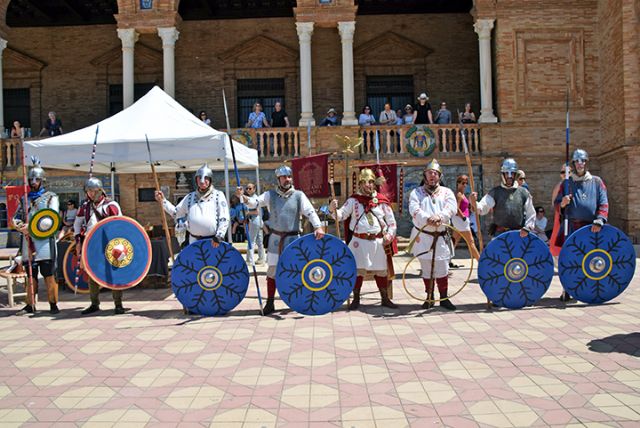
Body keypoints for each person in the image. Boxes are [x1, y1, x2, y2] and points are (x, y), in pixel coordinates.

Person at [236, 165, 324, 315]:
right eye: (284, 177)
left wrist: (318, 226)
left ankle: (299, 301)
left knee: (298, 271)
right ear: (278, 179)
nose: (287, 179)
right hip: (276, 239)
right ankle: (270, 303)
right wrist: (242, 197)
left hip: (294, 240)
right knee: (272, 271)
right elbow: (255, 202)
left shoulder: (298, 195)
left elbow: (309, 211)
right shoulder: (270, 195)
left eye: (289, 177)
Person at [330, 168, 398, 310]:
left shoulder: (381, 201)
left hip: (378, 241)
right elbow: (340, 215)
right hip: (358, 242)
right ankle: (356, 299)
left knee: (381, 270)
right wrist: (333, 209)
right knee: (357, 270)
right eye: (365, 182)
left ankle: (384, 298)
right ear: (360, 184)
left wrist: (389, 235)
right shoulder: (353, 200)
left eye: (371, 182)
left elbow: (391, 222)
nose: (368, 185)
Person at [554, 149, 609, 301]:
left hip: (593, 229)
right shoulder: (566, 183)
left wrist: (600, 220)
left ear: (586, 162)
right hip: (571, 228)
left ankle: (590, 290)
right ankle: (568, 289)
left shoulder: (597, 182)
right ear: (573, 164)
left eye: (583, 160)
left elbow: (603, 203)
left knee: (592, 260)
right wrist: (563, 203)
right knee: (570, 260)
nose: (580, 164)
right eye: (577, 161)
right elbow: (557, 204)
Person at [408, 159, 458, 310]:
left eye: (435, 173)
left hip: (441, 236)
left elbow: (451, 208)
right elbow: (414, 209)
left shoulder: (447, 192)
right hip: (423, 236)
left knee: (442, 267)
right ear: (424, 176)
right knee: (427, 267)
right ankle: (429, 297)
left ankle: (444, 298)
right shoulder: (416, 193)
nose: (432, 176)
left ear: (439, 176)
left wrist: (440, 217)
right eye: (429, 173)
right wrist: (427, 219)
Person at [13, 158, 60, 315]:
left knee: (48, 276)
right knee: (30, 277)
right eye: (31, 179)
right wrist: (20, 226)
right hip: (28, 243)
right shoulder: (24, 199)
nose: (33, 182)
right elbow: (16, 217)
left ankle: (53, 304)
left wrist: (31, 228)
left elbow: (50, 219)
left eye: (36, 179)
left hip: (45, 243)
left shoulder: (51, 197)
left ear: (42, 180)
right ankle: (30, 304)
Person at [74, 178, 125, 315]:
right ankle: (94, 303)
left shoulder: (111, 205)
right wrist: (78, 239)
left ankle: (118, 304)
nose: (90, 193)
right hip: (91, 244)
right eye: (88, 191)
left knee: (114, 273)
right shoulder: (85, 206)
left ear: (100, 190)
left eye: (93, 190)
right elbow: (77, 223)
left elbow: (119, 224)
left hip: (109, 243)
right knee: (92, 273)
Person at [155, 163, 230, 246]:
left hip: (213, 242)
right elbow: (176, 212)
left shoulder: (218, 195)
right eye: (199, 178)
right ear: (196, 180)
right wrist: (163, 201)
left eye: (206, 178)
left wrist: (219, 235)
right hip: (194, 241)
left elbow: (224, 218)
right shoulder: (190, 197)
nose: (202, 181)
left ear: (210, 180)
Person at [470, 158, 536, 239]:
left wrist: (527, 228)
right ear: (503, 174)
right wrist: (474, 203)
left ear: (515, 175)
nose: (509, 176)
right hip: (499, 236)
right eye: (507, 173)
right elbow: (482, 207)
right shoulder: (495, 192)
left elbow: (531, 213)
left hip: (519, 235)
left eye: (512, 173)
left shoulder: (524, 193)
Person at [451, 174, 481, 260]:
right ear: (458, 183)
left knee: (454, 241)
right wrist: (463, 217)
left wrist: (472, 199)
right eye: (463, 183)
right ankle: (480, 262)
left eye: (466, 183)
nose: (465, 185)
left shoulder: (463, 194)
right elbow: (456, 208)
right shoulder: (458, 194)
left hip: (461, 220)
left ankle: (445, 261)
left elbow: (470, 208)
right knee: (471, 242)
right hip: (461, 220)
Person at [242, 182, 266, 265]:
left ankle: (249, 260)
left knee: (251, 241)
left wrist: (247, 213)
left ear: (254, 189)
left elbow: (257, 211)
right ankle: (261, 259)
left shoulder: (255, 198)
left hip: (255, 220)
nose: (248, 190)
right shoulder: (251, 197)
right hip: (257, 220)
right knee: (259, 241)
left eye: (250, 188)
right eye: (247, 188)